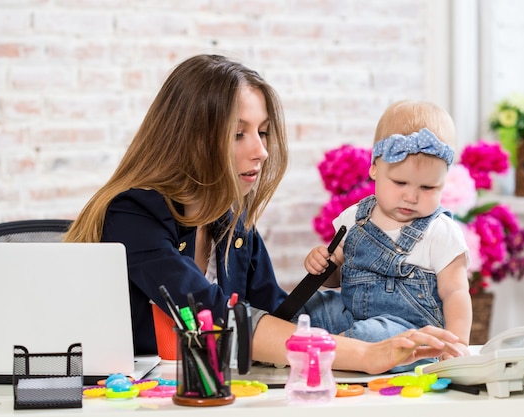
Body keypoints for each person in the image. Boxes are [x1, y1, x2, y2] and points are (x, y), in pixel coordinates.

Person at [64, 55, 463, 374]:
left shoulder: (232, 225)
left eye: (263, 131)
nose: (261, 150)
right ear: (191, 139)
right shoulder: (133, 215)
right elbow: (219, 319)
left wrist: (385, 321)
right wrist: (363, 353)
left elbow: (275, 315)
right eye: (239, 134)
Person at [304, 100, 472, 363]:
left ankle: (331, 353)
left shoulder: (440, 231)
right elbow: (335, 277)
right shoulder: (354, 217)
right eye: (400, 182)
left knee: (368, 335)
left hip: (408, 333)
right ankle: (294, 349)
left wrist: (456, 344)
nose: (411, 196)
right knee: (309, 308)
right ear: (374, 167)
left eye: (428, 188)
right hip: (350, 313)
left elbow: (455, 292)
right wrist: (322, 263)